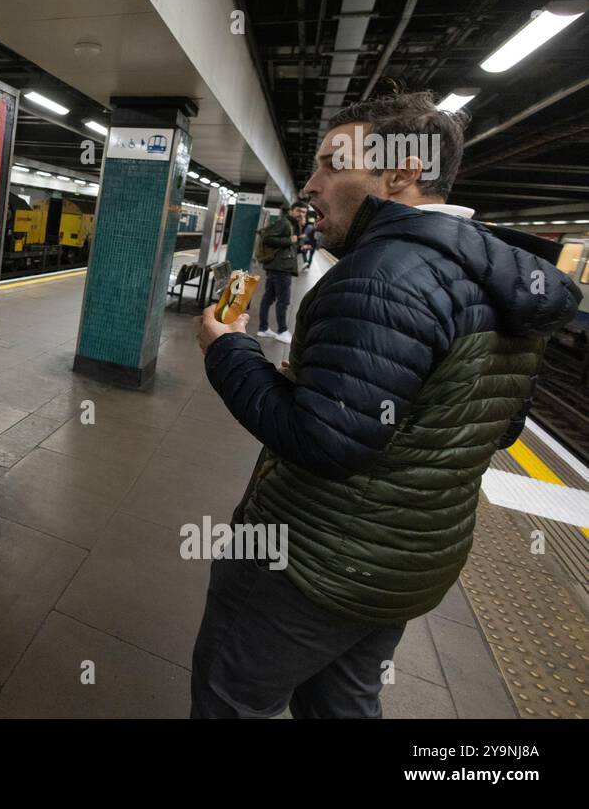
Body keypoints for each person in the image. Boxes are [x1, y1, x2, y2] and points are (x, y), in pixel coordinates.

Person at [191, 91, 581, 718]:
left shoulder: (382, 276)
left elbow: (323, 444)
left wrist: (228, 352)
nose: (312, 184)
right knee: (344, 707)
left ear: (399, 174)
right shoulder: (504, 280)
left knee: (231, 701)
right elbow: (496, 426)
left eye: (330, 165)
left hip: (311, 560)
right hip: (409, 564)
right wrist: (341, 385)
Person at [255, 202, 307, 344]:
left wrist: (298, 243)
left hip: (278, 266)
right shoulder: (285, 223)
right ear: (291, 210)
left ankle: (263, 328)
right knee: (283, 300)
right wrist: (289, 240)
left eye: (304, 212)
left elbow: (290, 245)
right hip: (280, 268)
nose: (301, 214)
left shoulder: (292, 224)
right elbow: (267, 238)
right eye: (298, 211)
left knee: (269, 298)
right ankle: (282, 331)